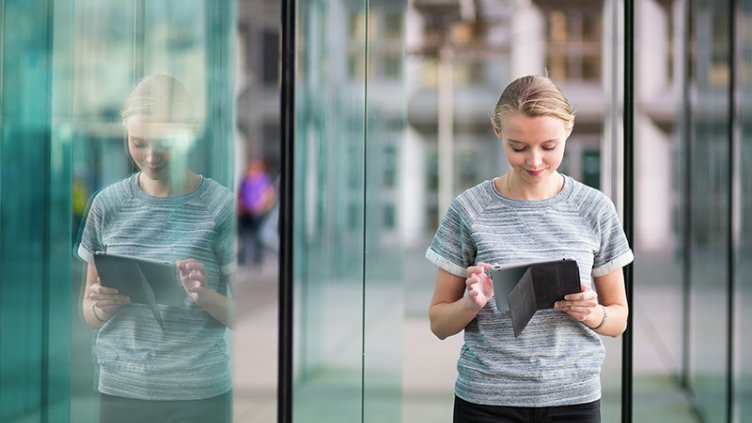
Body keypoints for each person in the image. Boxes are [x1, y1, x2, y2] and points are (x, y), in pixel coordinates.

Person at [426, 75, 633, 422]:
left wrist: (593, 313)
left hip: (574, 401)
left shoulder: (595, 209)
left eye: (548, 146)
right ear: (497, 132)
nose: (534, 161)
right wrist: (471, 303)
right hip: (486, 401)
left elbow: (620, 318)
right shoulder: (469, 210)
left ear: (568, 130)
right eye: (518, 147)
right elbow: (438, 323)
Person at [76, 74, 235, 422]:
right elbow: (87, 311)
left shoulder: (221, 207)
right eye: (138, 142)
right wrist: (102, 307)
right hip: (120, 392)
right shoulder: (106, 205)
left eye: (163, 141)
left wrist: (204, 295)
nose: (150, 156)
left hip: (198, 395)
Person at [237, 159, 276, 265]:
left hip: (257, 213)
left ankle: (257, 261)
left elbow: (269, 196)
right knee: (244, 237)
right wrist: (240, 205)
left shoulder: (263, 180)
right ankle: (243, 260)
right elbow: (240, 194)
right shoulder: (245, 180)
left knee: (257, 236)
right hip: (245, 212)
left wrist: (263, 207)